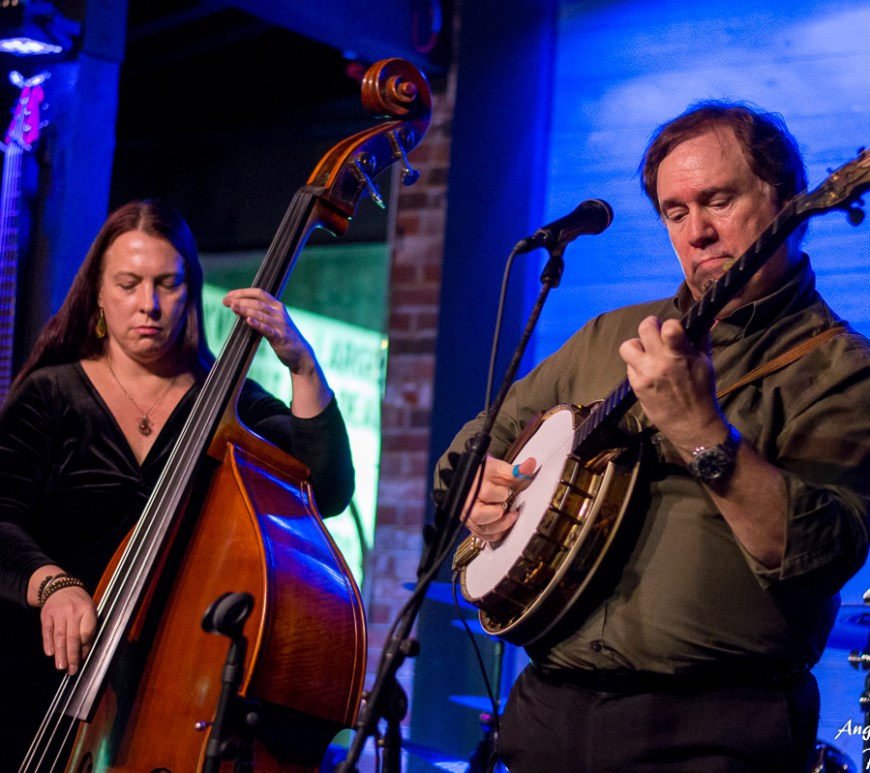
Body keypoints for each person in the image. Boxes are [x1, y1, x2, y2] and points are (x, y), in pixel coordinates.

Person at [435, 101, 870, 772]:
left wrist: (702, 432)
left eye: (719, 200)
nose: (697, 232)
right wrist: (474, 485)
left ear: (786, 199)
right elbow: (474, 444)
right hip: (547, 710)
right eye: (675, 211)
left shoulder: (841, 370)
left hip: (713, 730)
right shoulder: (610, 336)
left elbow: (821, 554)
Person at [0, 199, 355, 768]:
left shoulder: (228, 406)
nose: (149, 303)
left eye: (167, 283)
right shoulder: (51, 395)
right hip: (42, 680)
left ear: (190, 292)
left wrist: (304, 367)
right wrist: (52, 584)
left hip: (174, 690)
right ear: (97, 294)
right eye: (128, 284)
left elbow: (325, 493)